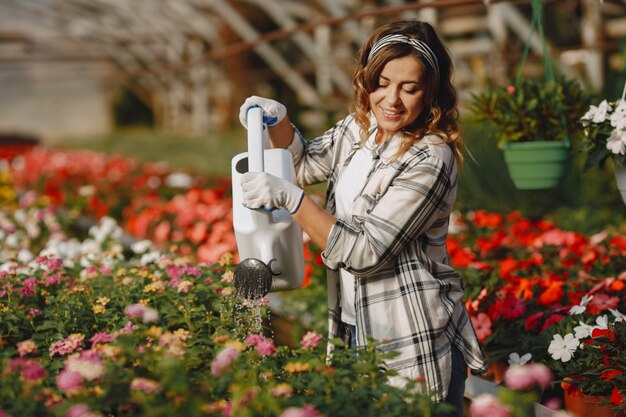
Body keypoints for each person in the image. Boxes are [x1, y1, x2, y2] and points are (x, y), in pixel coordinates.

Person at [238, 19, 486, 416]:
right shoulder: (360, 129)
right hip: (356, 330)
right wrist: (277, 121)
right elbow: (302, 165)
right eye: (382, 83)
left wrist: (290, 198)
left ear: (431, 92)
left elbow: (365, 251)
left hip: (411, 342)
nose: (392, 100)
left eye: (410, 88)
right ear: (366, 80)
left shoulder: (429, 158)